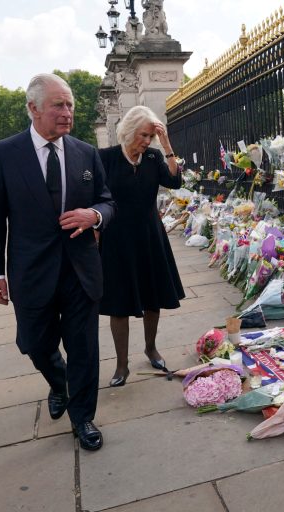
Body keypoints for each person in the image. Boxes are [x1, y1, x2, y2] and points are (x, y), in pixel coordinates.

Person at [0, 73, 115, 451]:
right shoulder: (4, 153)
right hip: (30, 272)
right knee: (35, 343)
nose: (67, 112)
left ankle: (83, 416)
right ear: (33, 108)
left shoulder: (85, 152)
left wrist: (95, 215)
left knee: (84, 348)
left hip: (81, 270)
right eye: (58, 104)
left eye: (70, 104)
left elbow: (108, 200)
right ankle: (60, 384)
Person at [98, 105, 185, 387]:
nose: (146, 141)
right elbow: (93, 197)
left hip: (150, 235)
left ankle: (151, 348)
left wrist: (167, 144)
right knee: (118, 304)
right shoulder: (105, 158)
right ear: (129, 130)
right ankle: (121, 365)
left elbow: (174, 180)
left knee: (153, 296)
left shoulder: (153, 157)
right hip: (117, 238)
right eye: (143, 135)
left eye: (150, 136)